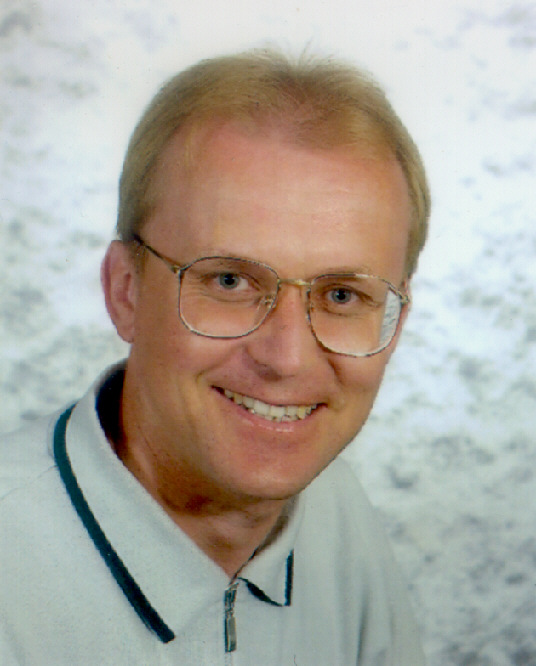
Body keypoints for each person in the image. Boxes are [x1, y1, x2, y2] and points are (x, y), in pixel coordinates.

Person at [0, 49, 430, 664]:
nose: (286, 358)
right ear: (125, 291)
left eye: (341, 295)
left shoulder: (335, 511)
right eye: (229, 281)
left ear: (396, 321)